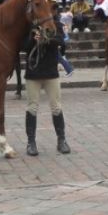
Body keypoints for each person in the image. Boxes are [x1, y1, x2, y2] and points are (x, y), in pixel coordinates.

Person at [24, 14, 68, 156]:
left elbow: (61, 41)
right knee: (32, 107)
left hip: (50, 72)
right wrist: (33, 39)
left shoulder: (56, 25)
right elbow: (23, 46)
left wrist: (45, 40)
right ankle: (31, 142)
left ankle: (61, 140)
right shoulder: (30, 27)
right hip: (33, 72)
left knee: (56, 107)